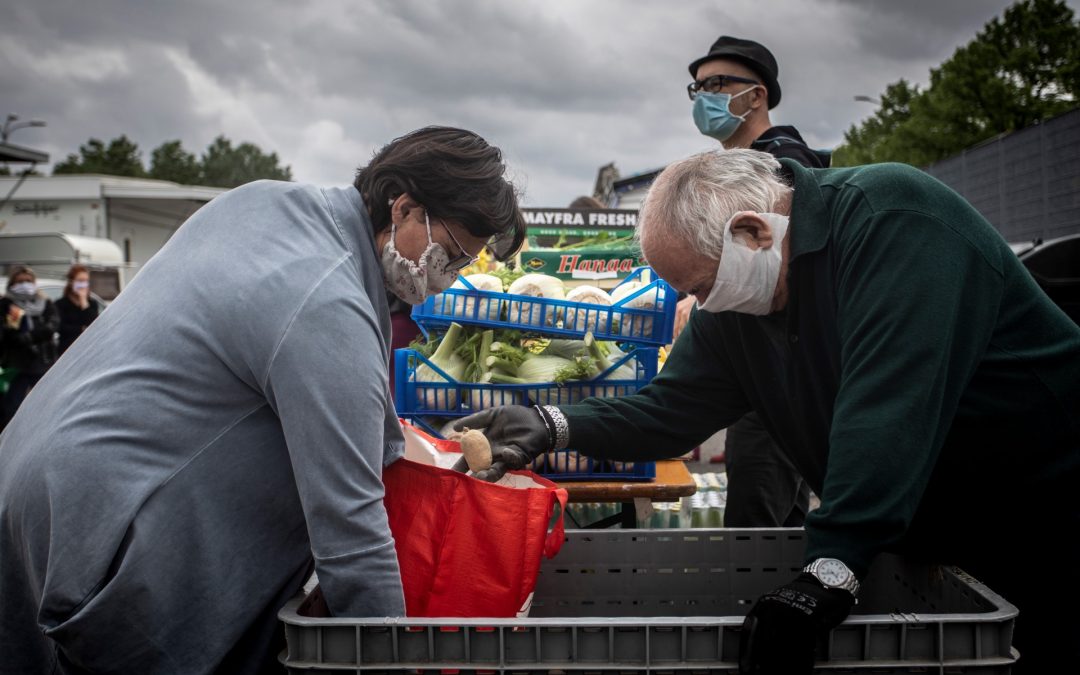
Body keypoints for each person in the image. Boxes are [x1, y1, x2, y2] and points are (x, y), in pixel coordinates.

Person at [456, 149, 1080, 674]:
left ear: (752, 233)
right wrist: (554, 424)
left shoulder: (895, 221)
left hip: (1038, 509)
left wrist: (829, 570)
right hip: (929, 534)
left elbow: (887, 406)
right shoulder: (738, 304)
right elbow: (674, 408)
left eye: (698, 287)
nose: (696, 305)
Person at [0, 126, 525, 675]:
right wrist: (389, 657)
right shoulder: (325, 300)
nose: (449, 279)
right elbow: (350, 528)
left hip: (32, 479)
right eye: (454, 255)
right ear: (404, 208)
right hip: (99, 528)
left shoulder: (262, 203)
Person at [679, 35, 815, 527]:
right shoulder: (734, 170)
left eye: (716, 83)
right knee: (787, 523)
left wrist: (703, 299)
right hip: (762, 376)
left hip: (776, 377)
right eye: (696, 88)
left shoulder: (784, 165)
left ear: (756, 95)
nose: (704, 96)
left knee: (754, 525)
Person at [0, 264, 59, 428]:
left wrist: (30, 336)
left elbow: (52, 325)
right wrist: (25, 336)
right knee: (12, 407)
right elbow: (10, 335)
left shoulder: (44, 302)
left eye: (28, 281)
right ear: (12, 284)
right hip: (18, 365)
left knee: (46, 405)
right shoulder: (7, 305)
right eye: (20, 281)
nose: (25, 284)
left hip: (44, 362)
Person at [54, 264, 102, 356]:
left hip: (88, 349)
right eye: (80, 281)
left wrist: (83, 302)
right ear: (71, 282)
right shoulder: (60, 304)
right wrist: (81, 329)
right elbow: (61, 327)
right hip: (67, 350)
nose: (83, 284)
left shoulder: (92, 303)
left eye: (86, 281)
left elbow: (94, 324)